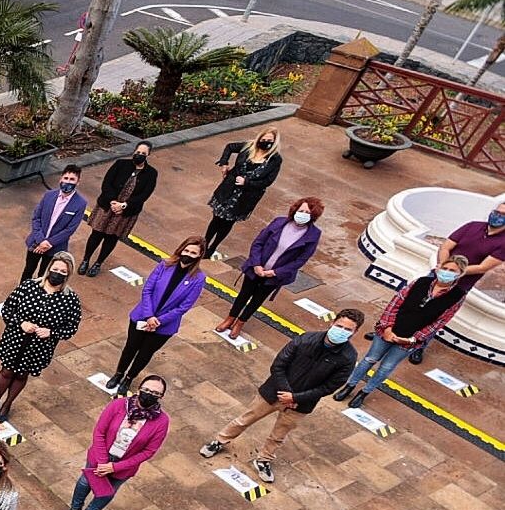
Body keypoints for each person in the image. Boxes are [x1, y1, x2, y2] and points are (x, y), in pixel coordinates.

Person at [200, 310, 366, 484]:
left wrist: (295, 398)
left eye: (347, 329)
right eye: (339, 326)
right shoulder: (305, 339)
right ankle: (220, 441)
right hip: (273, 393)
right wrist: (285, 393)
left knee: (279, 435)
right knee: (245, 419)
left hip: (300, 405)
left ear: (355, 333)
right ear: (332, 323)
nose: (341, 331)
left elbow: (329, 387)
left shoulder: (348, 357)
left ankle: (264, 459)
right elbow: (279, 365)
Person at [336, 257, 469, 409]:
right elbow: (395, 303)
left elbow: (439, 322)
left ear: (460, 274)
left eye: (452, 271)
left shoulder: (458, 296)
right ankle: (350, 385)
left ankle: (364, 392)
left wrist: (413, 339)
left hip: (409, 339)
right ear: (439, 268)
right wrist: (387, 328)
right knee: (370, 359)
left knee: (386, 368)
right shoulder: (421, 282)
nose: (447, 273)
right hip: (390, 329)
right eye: (445, 269)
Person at [65, 377, 170, 510]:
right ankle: (74, 509)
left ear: (161, 396)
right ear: (139, 389)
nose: (149, 394)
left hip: (123, 467)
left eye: (155, 393)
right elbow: (99, 432)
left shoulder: (162, 421)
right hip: (99, 458)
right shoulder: (118, 405)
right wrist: (102, 462)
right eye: (147, 390)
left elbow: (148, 451)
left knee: (106, 493)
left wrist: (114, 467)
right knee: (84, 484)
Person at [106, 237, 206, 397]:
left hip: (164, 326)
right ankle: (119, 373)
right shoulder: (164, 265)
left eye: (193, 253)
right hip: (142, 316)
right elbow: (147, 290)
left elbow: (184, 306)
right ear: (181, 249)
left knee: (145, 353)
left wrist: (159, 321)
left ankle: (129, 378)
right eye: (186, 250)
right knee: (130, 347)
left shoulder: (198, 278)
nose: (188, 254)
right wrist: (149, 316)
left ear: (199, 256)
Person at [0, 252, 82, 423]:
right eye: (55, 269)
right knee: (7, 371)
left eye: (63, 272)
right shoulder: (29, 286)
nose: (58, 273)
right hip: (15, 338)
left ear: (68, 275)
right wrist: (20, 322)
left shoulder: (71, 299)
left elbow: (71, 328)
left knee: (22, 375)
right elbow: (7, 309)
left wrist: (52, 332)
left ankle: (7, 404)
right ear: (49, 269)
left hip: (39, 346)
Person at [216, 197, 323, 341]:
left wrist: (275, 272)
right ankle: (230, 318)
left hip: (274, 276)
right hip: (256, 268)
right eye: (301, 210)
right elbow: (258, 243)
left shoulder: (313, 234)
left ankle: (240, 323)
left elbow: (300, 260)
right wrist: (256, 264)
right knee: (243, 294)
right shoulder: (279, 222)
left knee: (257, 300)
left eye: (307, 212)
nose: (303, 214)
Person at [79, 142, 157, 276]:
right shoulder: (120, 164)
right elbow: (107, 183)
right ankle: (86, 260)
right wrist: (112, 201)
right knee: (96, 233)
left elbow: (144, 194)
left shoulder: (151, 173)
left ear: (148, 155)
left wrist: (124, 206)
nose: (140, 155)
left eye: (143, 154)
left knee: (112, 237)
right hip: (107, 205)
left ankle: (98, 263)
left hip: (126, 211)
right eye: (138, 152)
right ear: (134, 151)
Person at [204, 127, 282, 256]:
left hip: (246, 196)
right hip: (228, 190)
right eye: (263, 139)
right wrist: (224, 163)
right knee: (216, 218)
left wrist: (247, 183)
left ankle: (213, 246)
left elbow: (267, 181)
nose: (266, 142)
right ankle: (205, 243)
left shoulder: (275, 159)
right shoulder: (248, 147)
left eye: (269, 140)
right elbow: (230, 147)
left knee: (228, 222)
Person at [20, 165, 86, 283]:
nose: (68, 182)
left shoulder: (80, 203)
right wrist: (41, 240)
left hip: (55, 247)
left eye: (72, 179)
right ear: (60, 179)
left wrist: (49, 243)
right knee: (28, 270)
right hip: (36, 242)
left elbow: (70, 229)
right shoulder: (49, 195)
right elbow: (36, 217)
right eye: (66, 178)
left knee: (45, 275)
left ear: (78, 182)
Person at [435, 202, 505, 296]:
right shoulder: (472, 226)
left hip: (460, 286)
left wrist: (454, 272)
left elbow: (482, 268)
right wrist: (443, 267)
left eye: (503, 215)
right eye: (496, 212)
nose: (498, 216)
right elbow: (445, 247)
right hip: (437, 275)